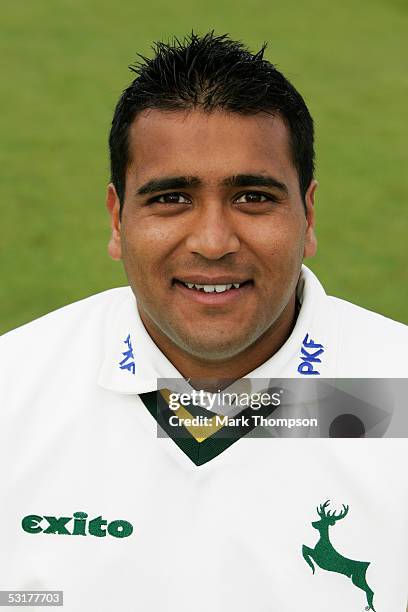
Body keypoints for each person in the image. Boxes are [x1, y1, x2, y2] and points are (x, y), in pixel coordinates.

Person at [0, 32, 407, 612]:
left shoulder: (398, 393)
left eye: (253, 197)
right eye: (171, 199)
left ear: (308, 215)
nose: (213, 242)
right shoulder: (10, 394)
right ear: (118, 220)